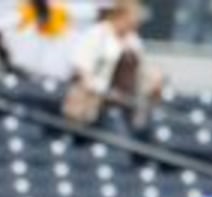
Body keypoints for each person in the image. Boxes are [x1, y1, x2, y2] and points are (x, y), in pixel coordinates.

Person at [65, 0, 163, 133]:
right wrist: (102, 90)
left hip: (127, 105)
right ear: (121, 16)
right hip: (97, 105)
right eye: (131, 20)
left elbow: (139, 72)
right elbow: (82, 69)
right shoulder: (97, 34)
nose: (134, 25)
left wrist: (154, 82)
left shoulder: (133, 40)